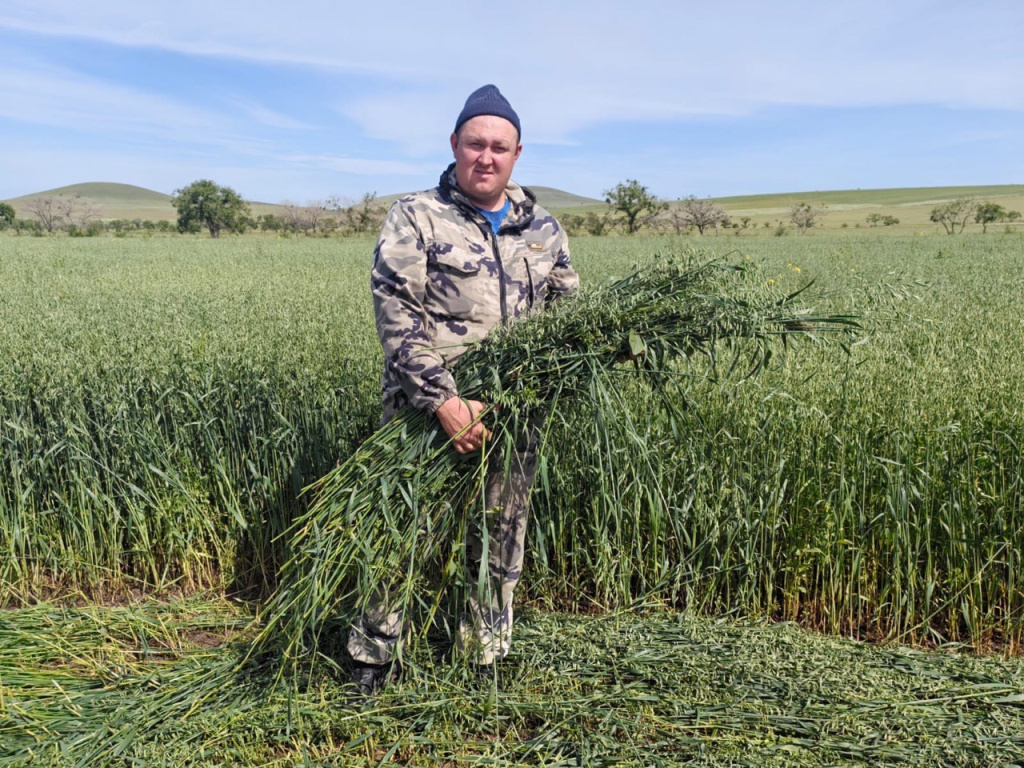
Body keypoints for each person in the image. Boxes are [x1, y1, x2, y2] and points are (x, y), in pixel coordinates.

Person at [349, 84, 579, 694]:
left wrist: (521, 393)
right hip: (423, 412)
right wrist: (444, 401)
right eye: (475, 143)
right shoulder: (417, 215)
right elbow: (395, 311)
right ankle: (373, 656)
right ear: (454, 145)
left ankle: (484, 655)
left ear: (517, 153)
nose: (486, 156)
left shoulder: (545, 228)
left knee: (501, 531)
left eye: (499, 147)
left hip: (512, 413)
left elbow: (567, 318)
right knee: (403, 528)